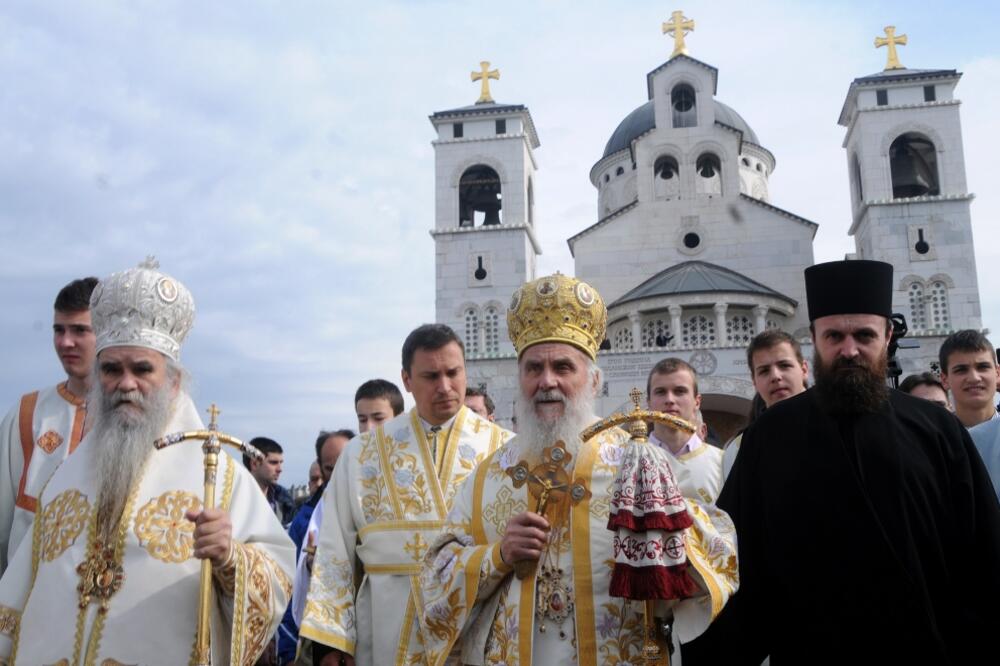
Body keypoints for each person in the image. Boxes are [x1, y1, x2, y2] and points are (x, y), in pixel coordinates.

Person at [683, 260, 1000, 664]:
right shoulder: (769, 436)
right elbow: (737, 563)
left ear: (887, 336)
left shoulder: (937, 430)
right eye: (834, 335)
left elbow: (983, 559)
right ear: (814, 338)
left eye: (863, 335)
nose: (849, 350)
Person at [420, 274, 737, 665]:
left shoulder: (634, 464)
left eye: (563, 366)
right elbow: (433, 582)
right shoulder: (488, 476)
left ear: (594, 380)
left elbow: (718, 557)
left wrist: (669, 546)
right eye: (533, 367)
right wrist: (498, 555)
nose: (546, 381)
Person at [0, 258, 294, 664]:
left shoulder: (221, 479)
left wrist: (230, 557)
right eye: (111, 369)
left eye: (142, 369)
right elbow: (21, 590)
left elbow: (278, 580)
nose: (125, 383)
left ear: (173, 381)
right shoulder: (64, 479)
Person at [299, 324, 513, 665]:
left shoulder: (504, 449)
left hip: (476, 623)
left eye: (452, 373)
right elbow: (334, 551)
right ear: (407, 380)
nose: (445, 387)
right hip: (385, 627)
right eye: (430, 376)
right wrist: (332, 641)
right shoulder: (362, 453)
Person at [0, 276, 98, 573]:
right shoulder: (28, 412)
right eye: (59, 330)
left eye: (80, 330)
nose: (65, 342)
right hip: (26, 595)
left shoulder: (129, 418)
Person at [280, 429, 355, 665]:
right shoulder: (307, 519)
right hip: (321, 636)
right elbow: (290, 585)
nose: (337, 474)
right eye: (330, 468)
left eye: (344, 463)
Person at [723, 329, 809, 478]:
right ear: (754, 381)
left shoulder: (838, 426)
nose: (775, 376)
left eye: (784, 365)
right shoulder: (739, 449)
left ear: (804, 369)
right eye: (764, 371)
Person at [647, 358, 724, 504]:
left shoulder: (722, 463)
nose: (669, 399)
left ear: (697, 401)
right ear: (649, 403)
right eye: (660, 392)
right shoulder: (628, 461)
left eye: (679, 391)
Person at [939, 329, 999, 427]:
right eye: (961, 370)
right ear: (945, 379)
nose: (974, 378)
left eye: (983, 367)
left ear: (997, 373)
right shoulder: (933, 440)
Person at [246, 436, 295, 527]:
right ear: (254, 464)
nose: (280, 469)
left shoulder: (285, 501)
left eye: (281, 463)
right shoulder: (235, 497)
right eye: (273, 462)